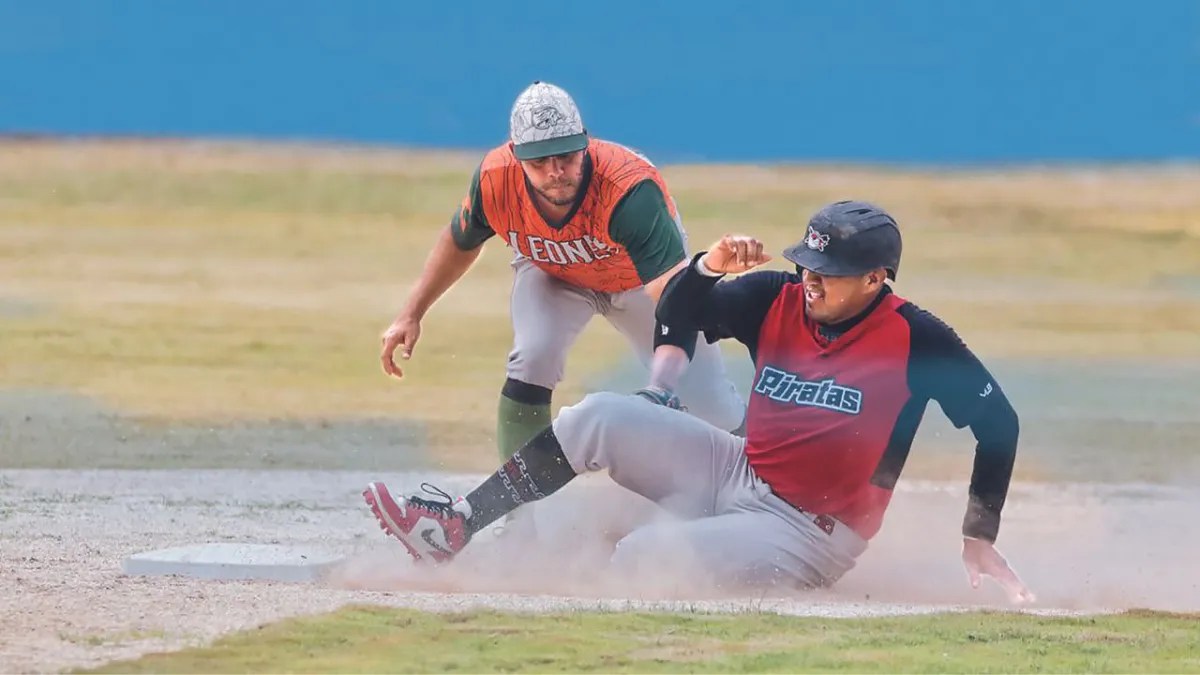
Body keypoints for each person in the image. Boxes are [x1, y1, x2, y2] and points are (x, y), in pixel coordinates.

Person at [364, 199, 1036, 604]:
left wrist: (979, 533)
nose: (809, 280)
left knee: (640, 558)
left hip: (808, 533)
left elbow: (997, 423)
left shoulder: (916, 338)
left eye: (827, 274)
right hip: (739, 468)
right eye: (806, 263)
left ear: (876, 278)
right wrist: (708, 266)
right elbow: (677, 315)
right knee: (596, 415)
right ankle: (457, 526)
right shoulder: (777, 296)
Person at [378, 80, 746, 479]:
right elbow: (460, 239)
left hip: (639, 280)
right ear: (516, 155)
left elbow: (669, 293)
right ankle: (520, 510)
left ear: (584, 142)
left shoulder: (629, 191)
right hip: (552, 271)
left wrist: (685, 350)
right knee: (533, 356)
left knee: (710, 404)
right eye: (538, 162)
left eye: (566, 157)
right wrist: (411, 313)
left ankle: (768, 491)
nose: (555, 173)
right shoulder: (495, 180)